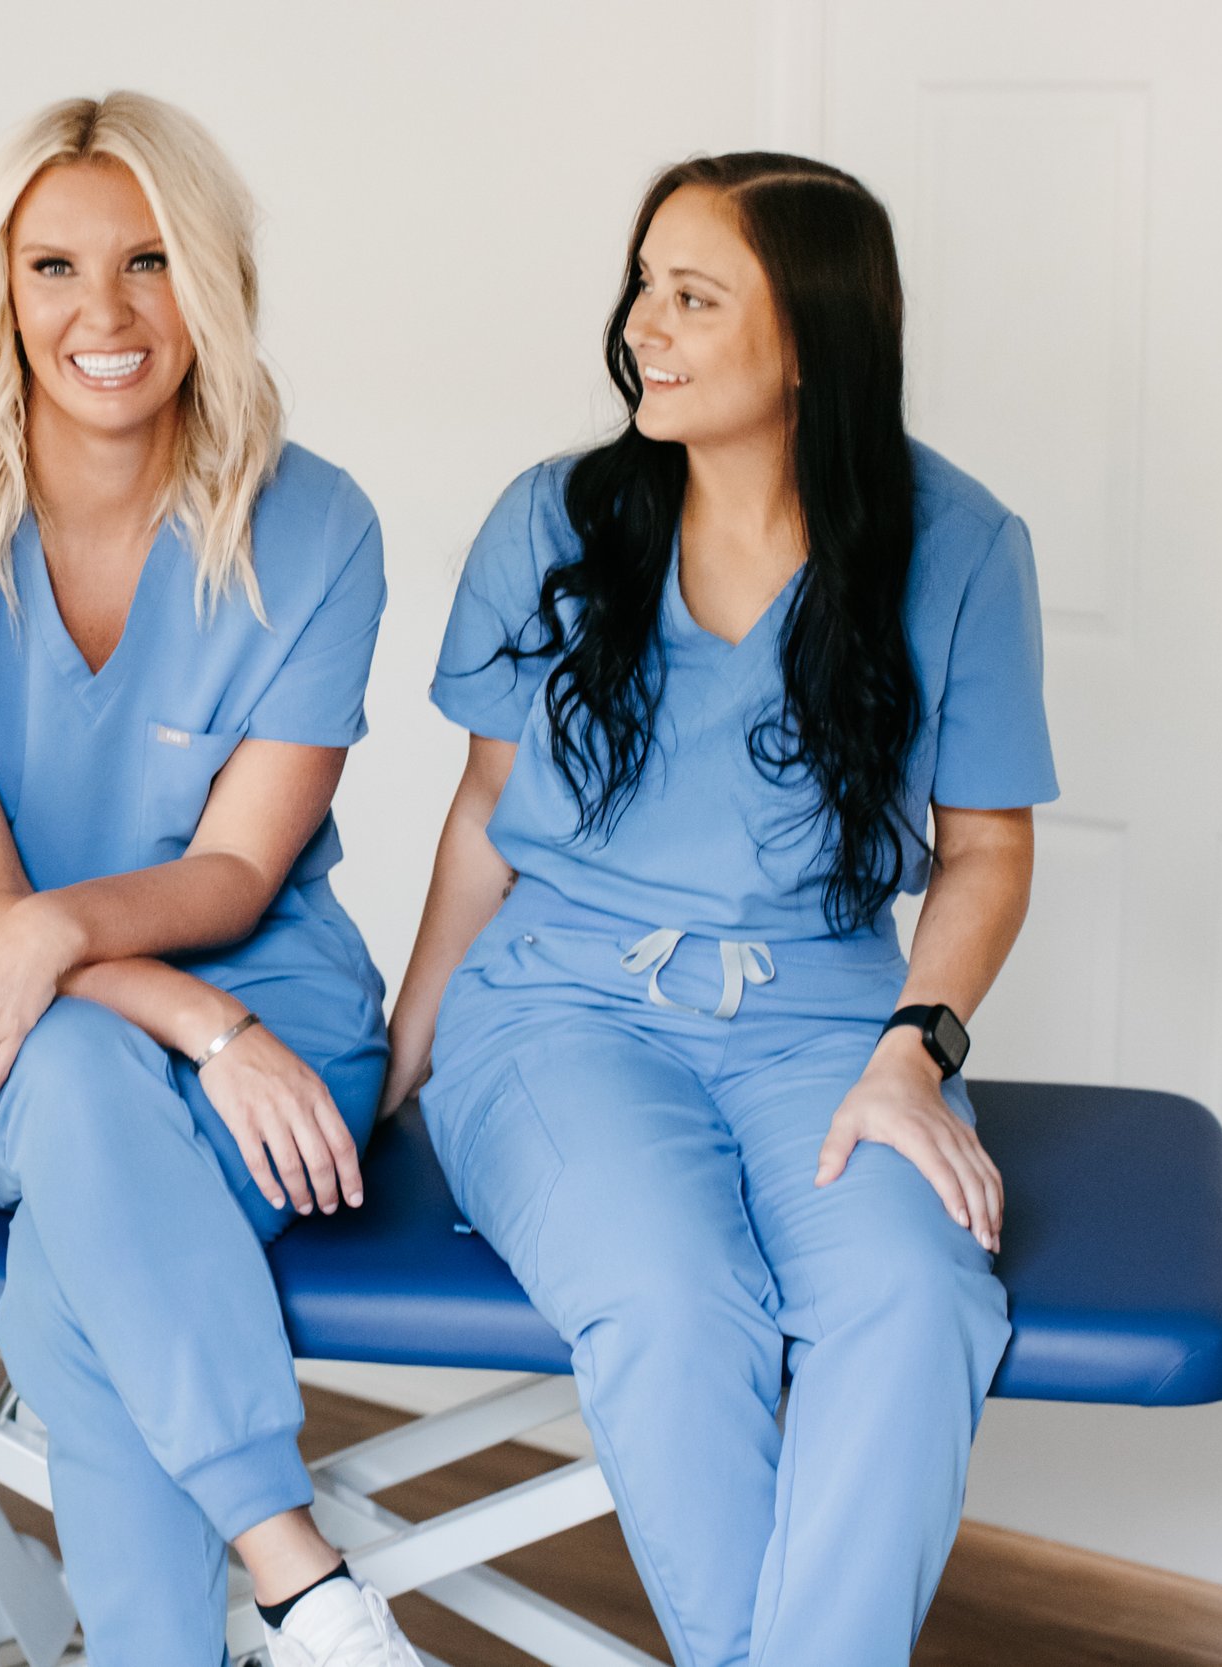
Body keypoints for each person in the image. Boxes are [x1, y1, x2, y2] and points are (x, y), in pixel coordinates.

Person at [384, 153, 1052, 1667]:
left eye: (694, 297)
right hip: (554, 1008)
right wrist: (401, 1049)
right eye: (643, 287)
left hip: (829, 1017)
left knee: (916, 1299)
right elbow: (485, 813)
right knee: (678, 1305)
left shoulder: (960, 545)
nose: (644, 329)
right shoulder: (550, 521)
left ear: (813, 338)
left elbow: (987, 854)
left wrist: (914, 1052)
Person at [0, 93, 423, 1667]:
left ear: (212, 281)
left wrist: (147, 978)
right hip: (0, 1030)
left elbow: (235, 869)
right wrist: (177, 1022)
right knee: (83, 1081)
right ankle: (299, 1579)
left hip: (271, 1010)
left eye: (149, 261)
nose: (105, 313)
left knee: (73, 1290)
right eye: (56, 267)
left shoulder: (318, 524)